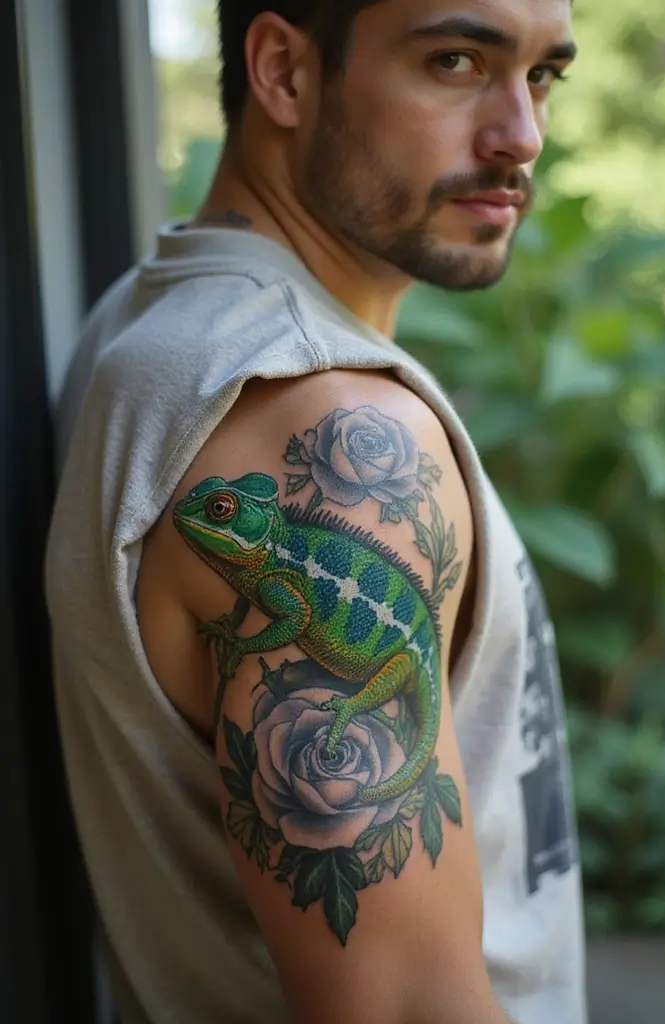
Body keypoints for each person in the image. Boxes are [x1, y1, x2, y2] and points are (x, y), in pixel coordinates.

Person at [45, 1, 587, 1022]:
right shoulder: (312, 413)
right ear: (285, 72)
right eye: (455, 60)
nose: (519, 134)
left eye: (541, 75)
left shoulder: (146, 315)